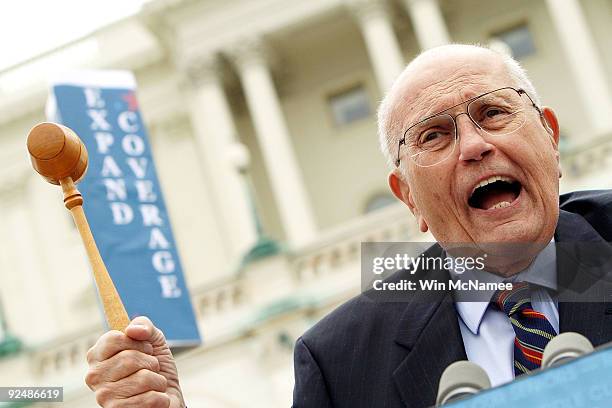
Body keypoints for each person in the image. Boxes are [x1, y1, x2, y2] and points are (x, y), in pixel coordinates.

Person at [85, 44, 612, 407]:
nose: (475, 146)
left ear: (550, 137)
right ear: (410, 199)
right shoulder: (341, 364)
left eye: (494, 112)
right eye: (433, 135)